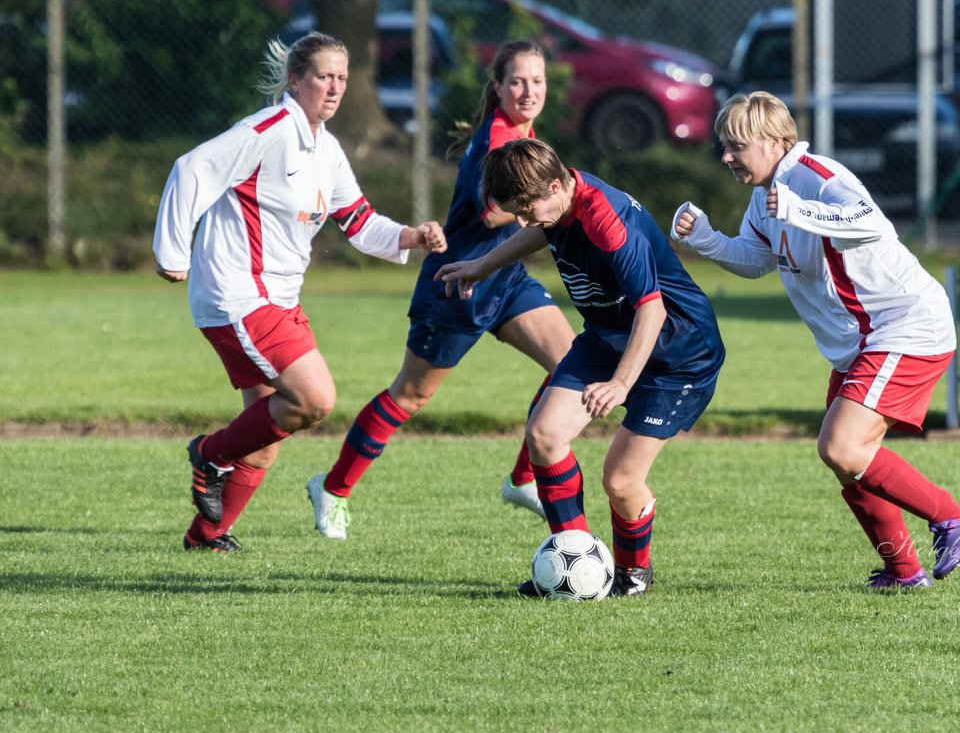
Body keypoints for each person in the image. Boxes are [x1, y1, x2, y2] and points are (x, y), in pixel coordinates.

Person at [671, 91, 960, 589]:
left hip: (905, 325)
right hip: (861, 341)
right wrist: (706, 238)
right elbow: (756, 260)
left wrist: (801, 211)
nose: (726, 157)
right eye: (723, 146)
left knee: (842, 447)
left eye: (736, 146)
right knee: (847, 463)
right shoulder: (764, 194)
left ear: (774, 142)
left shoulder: (818, 177)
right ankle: (905, 573)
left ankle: (953, 517)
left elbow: (871, 223)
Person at [153, 31, 447, 553]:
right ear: (295, 79)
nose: (333, 88)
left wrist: (411, 236)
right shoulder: (269, 129)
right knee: (314, 398)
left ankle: (205, 536)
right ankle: (209, 455)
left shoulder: (326, 149)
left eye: (342, 78)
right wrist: (172, 252)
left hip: (276, 300)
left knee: (266, 436)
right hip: (238, 294)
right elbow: (190, 168)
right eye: (322, 76)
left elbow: (357, 221)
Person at [306, 40, 577, 540]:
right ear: (497, 87)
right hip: (458, 282)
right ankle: (333, 487)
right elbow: (492, 211)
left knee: (572, 365)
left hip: (506, 276)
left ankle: (524, 479)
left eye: (537, 81)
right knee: (408, 396)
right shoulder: (499, 138)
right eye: (517, 81)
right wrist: (551, 202)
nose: (528, 91)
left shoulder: (522, 131)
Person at [437, 137, 724, 597]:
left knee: (621, 478)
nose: (526, 221)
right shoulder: (555, 202)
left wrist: (620, 383)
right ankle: (575, 564)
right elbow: (543, 229)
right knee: (544, 435)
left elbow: (653, 310)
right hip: (608, 336)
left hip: (678, 351)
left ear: (556, 185)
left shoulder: (609, 223)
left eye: (528, 209)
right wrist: (483, 265)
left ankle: (632, 576)